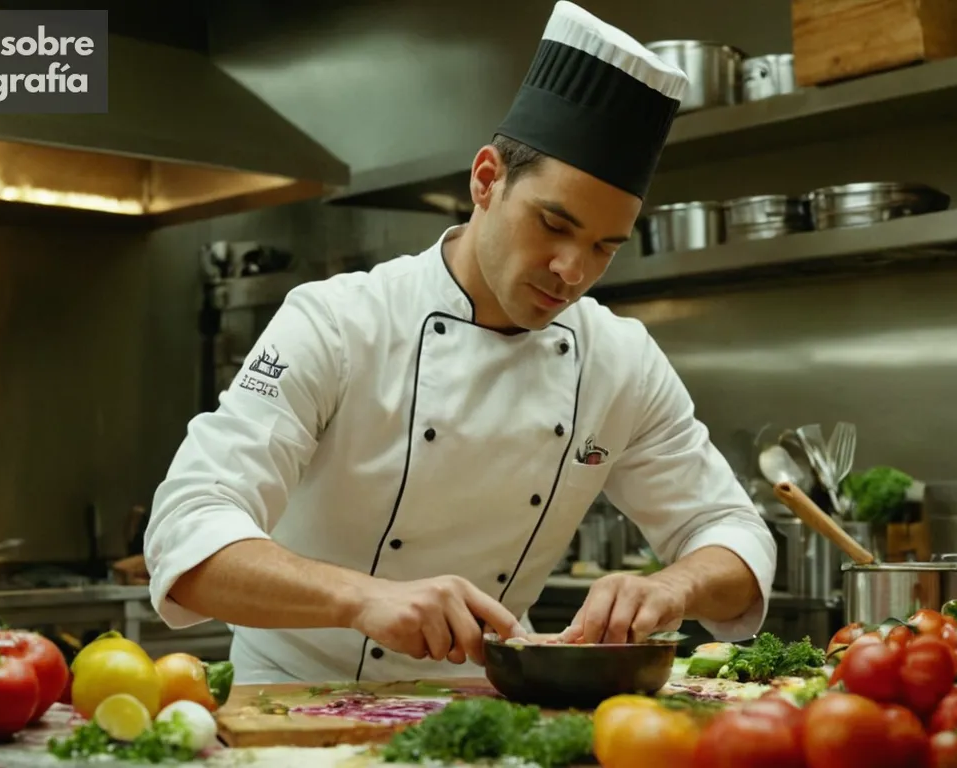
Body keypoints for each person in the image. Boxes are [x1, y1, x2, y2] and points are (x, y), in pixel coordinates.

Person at [144, 0, 777, 684]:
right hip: (292, 703)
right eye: (554, 225)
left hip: (489, 713)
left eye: (604, 246)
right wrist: (361, 597)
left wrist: (672, 587)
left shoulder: (619, 362)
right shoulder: (336, 323)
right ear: (486, 180)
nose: (573, 271)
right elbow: (188, 529)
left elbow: (735, 536)